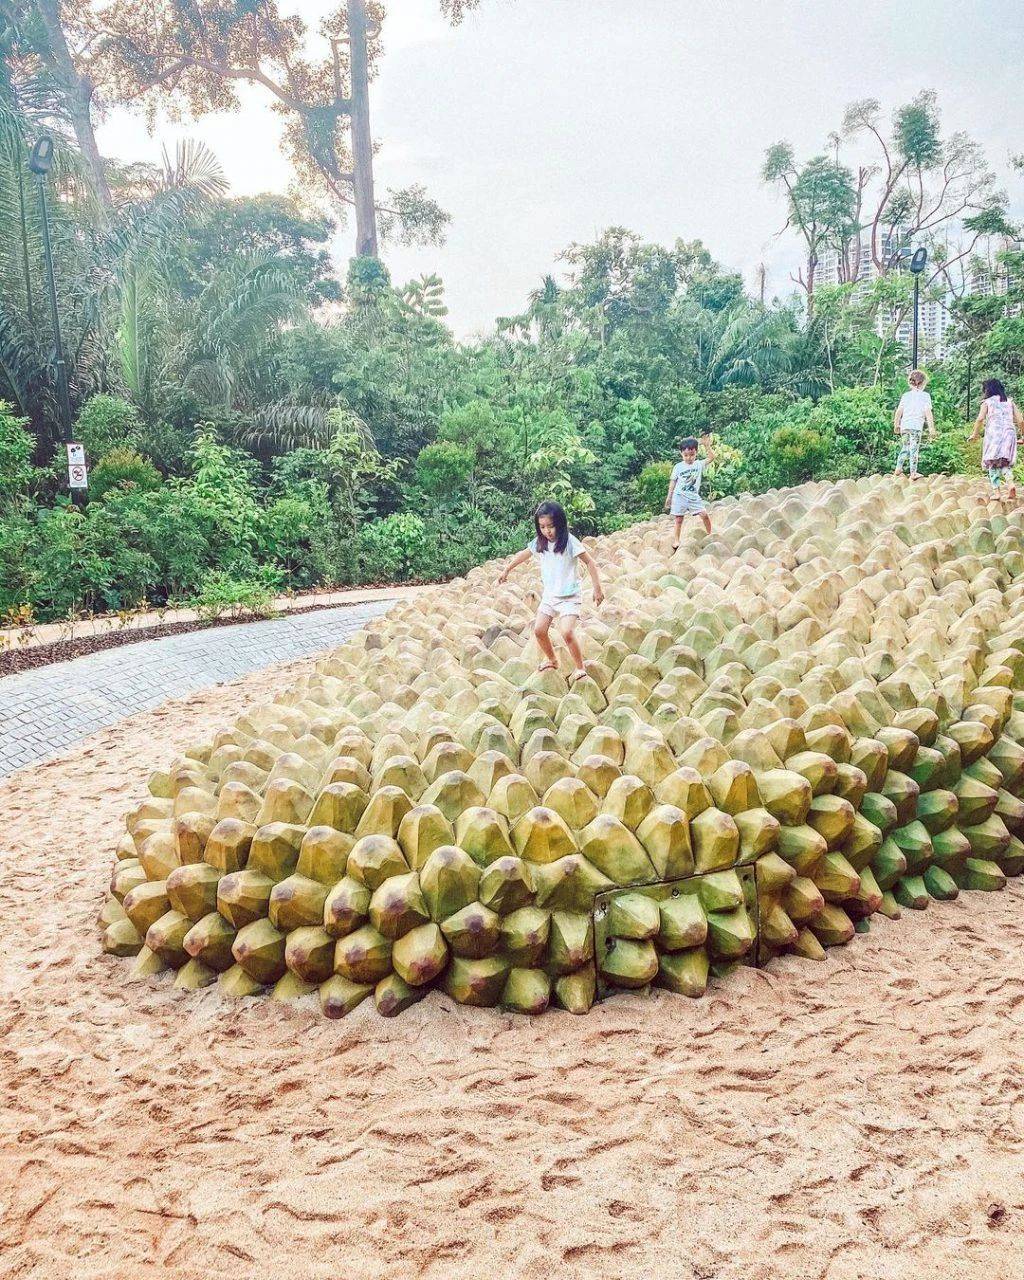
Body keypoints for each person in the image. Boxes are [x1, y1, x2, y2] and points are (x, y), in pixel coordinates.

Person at [497, 500, 604, 681]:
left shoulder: (570, 542)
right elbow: (524, 554)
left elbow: (590, 562)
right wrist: (507, 569)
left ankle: (580, 667)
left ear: (560, 524)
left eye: (551, 526)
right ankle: (553, 660)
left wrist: (597, 588)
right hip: (550, 596)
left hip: (569, 596)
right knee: (539, 630)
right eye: (542, 527)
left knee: (566, 631)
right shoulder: (541, 542)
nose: (547, 531)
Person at [969, 378, 1023, 500]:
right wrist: (1023, 436)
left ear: (987, 390)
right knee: (1004, 462)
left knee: (992, 463)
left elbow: (980, 419)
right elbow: (1020, 420)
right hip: (1009, 433)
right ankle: (1010, 484)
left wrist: (975, 435)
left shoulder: (987, 402)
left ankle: (997, 493)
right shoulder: (1010, 402)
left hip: (994, 434)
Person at [664, 435, 715, 549]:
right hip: (679, 496)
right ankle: (676, 540)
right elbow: (673, 482)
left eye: (692, 455)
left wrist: (707, 446)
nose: (689, 458)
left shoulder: (699, 464)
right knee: (679, 519)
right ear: (681, 453)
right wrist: (669, 497)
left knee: (704, 515)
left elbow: (711, 457)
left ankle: (710, 534)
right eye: (686, 455)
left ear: (696, 453)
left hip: (693, 496)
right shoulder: (678, 467)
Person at [893, 369, 936, 480]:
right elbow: (928, 412)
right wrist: (931, 428)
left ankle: (898, 468)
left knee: (905, 447)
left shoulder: (905, 395)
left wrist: (896, 424)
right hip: (916, 427)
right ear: (922, 383)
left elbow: (899, 411)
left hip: (905, 426)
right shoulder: (925, 396)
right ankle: (913, 473)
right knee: (914, 449)